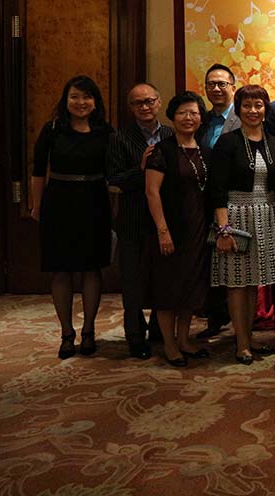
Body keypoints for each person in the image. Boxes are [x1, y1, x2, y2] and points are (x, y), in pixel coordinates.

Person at [30, 75, 113, 359]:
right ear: (65, 100)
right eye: (74, 96)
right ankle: (67, 333)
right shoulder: (53, 129)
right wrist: (37, 205)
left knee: (92, 268)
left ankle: (89, 330)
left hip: (94, 201)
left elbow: (113, 171)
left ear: (95, 102)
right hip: (59, 202)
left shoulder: (105, 131)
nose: (81, 102)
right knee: (61, 269)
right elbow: (38, 171)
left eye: (87, 97)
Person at [209, 84, 275, 364]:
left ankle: (249, 336)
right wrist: (223, 229)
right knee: (236, 282)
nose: (253, 111)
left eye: (258, 105)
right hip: (235, 216)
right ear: (238, 109)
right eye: (247, 105)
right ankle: (241, 343)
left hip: (266, 215)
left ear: (266, 109)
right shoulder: (227, 142)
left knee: (254, 282)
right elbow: (217, 189)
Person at [144, 92, 212, 367]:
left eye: (194, 113)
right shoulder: (162, 151)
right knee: (168, 288)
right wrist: (163, 230)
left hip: (198, 228)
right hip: (170, 228)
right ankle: (169, 345)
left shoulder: (205, 150)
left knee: (191, 287)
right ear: (172, 117)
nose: (188, 118)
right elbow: (151, 192)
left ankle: (184, 339)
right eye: (183, 112)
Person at [106, 82, 173, 359]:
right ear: (130, 107)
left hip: (165, 218)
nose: (145, 107)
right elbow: (113, 180)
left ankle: (159, 329)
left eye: (149, 101)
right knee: (133, 281)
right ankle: (134, 335)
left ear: (159, 102)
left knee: (162, 277)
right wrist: (141, 168)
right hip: (133, 218)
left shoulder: (170, 134)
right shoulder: (119, 138)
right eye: (138, 103)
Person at [196, 63, 239, 339]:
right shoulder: (200, 119)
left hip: (234, 197)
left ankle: (239, 320)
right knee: (209, 257)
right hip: (202, 198)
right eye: (211, 84)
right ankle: (215, 314)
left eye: (222, 84)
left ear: (233, 87)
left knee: (234, 256)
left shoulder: (244, 116)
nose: (216, 88)